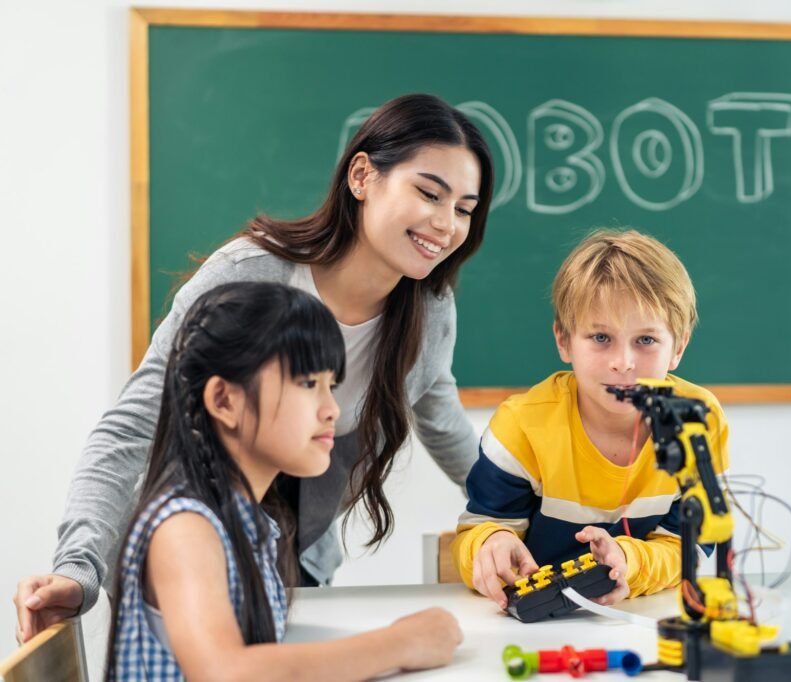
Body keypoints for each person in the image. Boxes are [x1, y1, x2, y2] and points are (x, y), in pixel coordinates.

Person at [15, 92, 494, 643]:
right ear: (362, 176)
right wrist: (80, 566)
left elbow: (447, 429)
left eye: (464, 208)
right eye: (429, 193)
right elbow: (134, 424)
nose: (446, 223)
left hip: (295, 565)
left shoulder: (428, 313)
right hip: (191, 564)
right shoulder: (251, 273)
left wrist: (523, 520)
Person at [105, 281, 462, 680]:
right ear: (224, 400)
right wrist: (400, 644)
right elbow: (225, 673)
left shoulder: (248, 521)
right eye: (309, 384)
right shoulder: (185, 528)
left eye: (333, 385)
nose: (331, 409)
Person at [451, 229, 729, 608]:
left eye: (646, 340)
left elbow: (689, 546)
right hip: (532, 628)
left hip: (637, 622)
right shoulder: (523, 427)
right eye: (601, 338)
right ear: (563, 341)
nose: (623, 362)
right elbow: (476, 532)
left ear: (677, 347)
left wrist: (629, 562)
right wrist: (490, 543)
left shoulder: (697, 422)